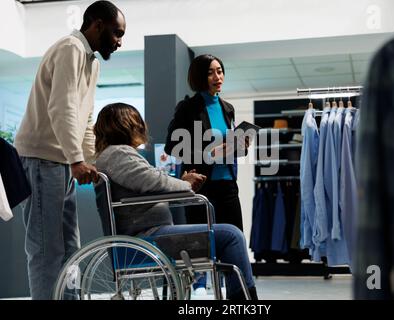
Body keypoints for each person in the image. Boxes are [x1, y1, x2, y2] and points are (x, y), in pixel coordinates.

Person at [13, 1, 126, 300]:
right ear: (97, 25)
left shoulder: (92, 61)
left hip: (61, 161)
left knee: (70, 248)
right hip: (42, 158)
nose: (119, 41)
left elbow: (85, 119)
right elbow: (61, 109)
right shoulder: (70, 49)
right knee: (46, 248)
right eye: (116, 33)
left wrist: (92, 161)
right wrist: (77, 160)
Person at [94, 102, 258, 300]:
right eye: (137, 121)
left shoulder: (116, 155)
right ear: (126, 125)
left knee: (228, 234)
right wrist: (185, 184)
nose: (142, 126)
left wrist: (181, 184)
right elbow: (153, 181)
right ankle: (246, 302)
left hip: (148, 235)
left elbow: (148, 183)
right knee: (231, 235)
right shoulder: (118, 154)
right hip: (148, 238)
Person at [164, 54, 249, 293]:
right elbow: (173, 145)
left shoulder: (227, 108)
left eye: (220, 71)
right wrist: (210, 154)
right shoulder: (188, 108)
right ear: (200, 76)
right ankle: (200, 290)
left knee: (235, 243)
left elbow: (227, 146)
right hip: (202, 186)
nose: (217, 77)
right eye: (211, 72)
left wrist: (238, 146)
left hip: (228, 186)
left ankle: (236, 293)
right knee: (201, 243)